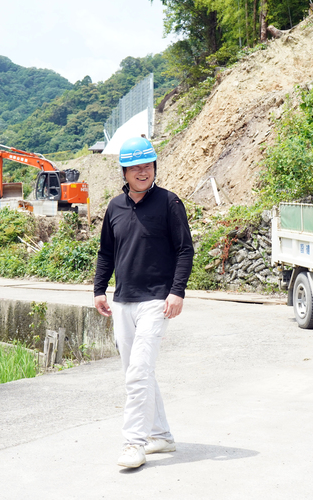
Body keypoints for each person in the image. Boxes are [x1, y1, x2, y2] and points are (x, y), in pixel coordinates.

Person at [93, 136, 195, 469]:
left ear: (154, 168)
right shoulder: (114, 207)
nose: (142, 171)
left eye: (148, 165)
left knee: (138, 372)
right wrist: (99, 290)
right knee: (137, 372)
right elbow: (106, 252)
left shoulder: (169, 203)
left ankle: (133, 443)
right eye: (135, 167)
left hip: (156, 301)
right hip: (123, 301)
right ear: (124, 172)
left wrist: (177, 291)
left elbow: (184, 250)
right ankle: (161, 436)